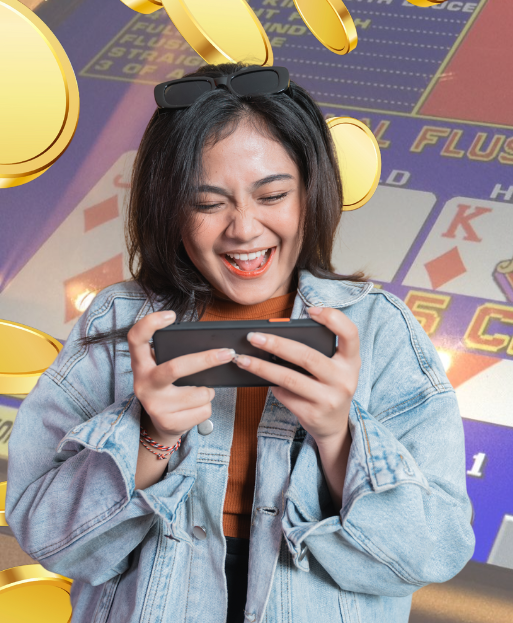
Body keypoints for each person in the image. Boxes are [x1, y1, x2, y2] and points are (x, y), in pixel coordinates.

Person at [3, 62, 475, 622]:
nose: (244, 229)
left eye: (272, 194)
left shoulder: (379, 329)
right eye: (207, 204)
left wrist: (339, 437)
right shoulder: (118, 321)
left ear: (310, 193)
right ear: (169, 207)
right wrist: (148, 435)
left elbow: (434, 551)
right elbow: (49, 539)